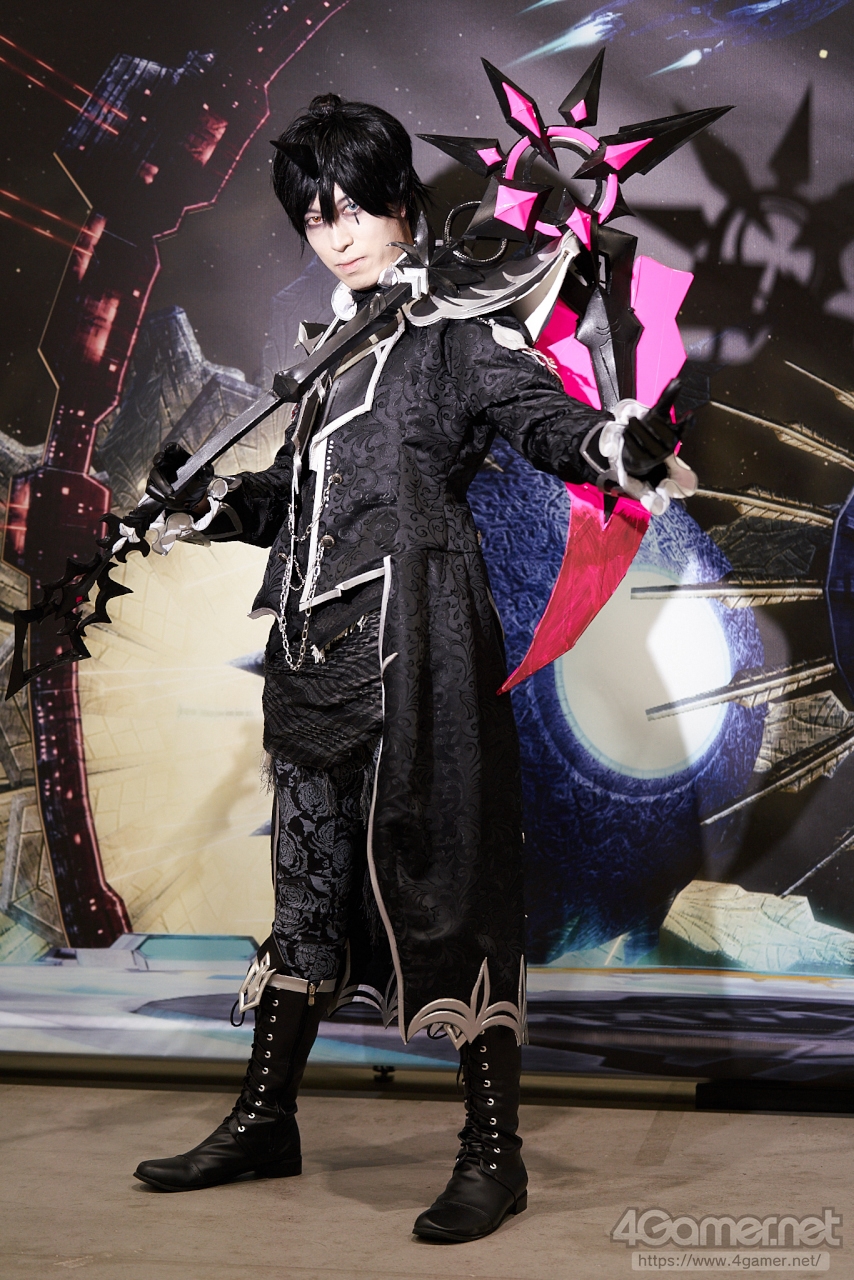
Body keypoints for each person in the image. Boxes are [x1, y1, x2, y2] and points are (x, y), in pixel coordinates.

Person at [132, 92, 684, 1242]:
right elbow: (295, 498)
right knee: (305, 890)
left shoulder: (453, 333)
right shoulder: (329, 357)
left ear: (398, 202)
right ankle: (265, 1118)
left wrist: (610, 444)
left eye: (352, 209)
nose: (335, 235)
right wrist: (208, 502)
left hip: (416, 648)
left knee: (450, 885)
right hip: (310, 657)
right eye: (314, 218)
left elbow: (542, 420)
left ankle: (493, 1153)